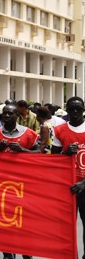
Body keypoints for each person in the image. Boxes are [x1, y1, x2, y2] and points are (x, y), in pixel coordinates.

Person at [0, 104, 38, 259]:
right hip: (2, 186)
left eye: (10, 114)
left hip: (24, 186)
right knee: (5, 222)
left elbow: (40, 154)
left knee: (24, 222)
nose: (6, 116)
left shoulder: (28, 134)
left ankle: (27, 252)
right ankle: (8, 253)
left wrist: (22, 150)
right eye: (4, 114)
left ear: (17, 115)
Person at [51, 96, 85, 256]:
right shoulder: (59, 130)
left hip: (84, 185)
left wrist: (84, 183)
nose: (76, 112)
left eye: (79, 108)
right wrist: (66, 153)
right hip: (67, 186)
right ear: (67, 110)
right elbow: (54, 159)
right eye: (72, 109)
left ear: (84, 109)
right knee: (66, 226)